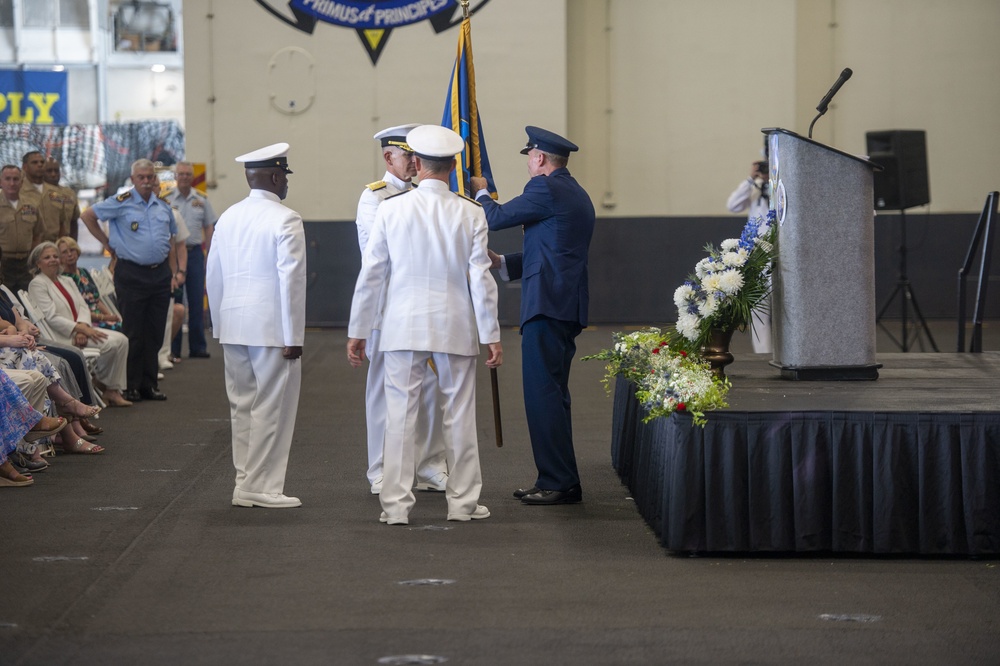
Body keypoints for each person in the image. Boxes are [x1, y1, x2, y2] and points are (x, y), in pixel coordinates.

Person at [347, 124, 502, 526]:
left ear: (416, 163)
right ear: (453, 166)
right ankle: (463, 504)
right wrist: (492, 334)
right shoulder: (471, 211)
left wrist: (358, 329)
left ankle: (395, 507)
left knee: (399, 415)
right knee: (460, 414)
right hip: (455, 325)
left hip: (400, 324)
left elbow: (372, 274)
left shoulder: (391, 210)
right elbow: (480, 278)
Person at [470, 125, 595, 506]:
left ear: (539, 157)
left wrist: (480, 188)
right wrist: (502, 263)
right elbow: (552, 251)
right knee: (553, 395)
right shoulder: (574, 192)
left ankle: (558, 481)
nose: (528, 161)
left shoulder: (545, 188)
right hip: (563, 304)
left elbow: (494, 216)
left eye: (529, 156)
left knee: (542, 395)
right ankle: (559, 478)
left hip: (548, 305)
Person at [206, 142, 306, 509]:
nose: (286, 185)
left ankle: (244, 481)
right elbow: (291, 280)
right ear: (276, 177)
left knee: (242, 406)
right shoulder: (286, 218)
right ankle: (261, 486)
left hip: (234, 324)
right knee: (272, 407)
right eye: (285, 178)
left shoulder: (229, 216)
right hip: (270, 328)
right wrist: (294, 335)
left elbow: (212, 274)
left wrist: (220, 323)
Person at [355, 123, 449, 495]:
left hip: (423, 306)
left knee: (430, 388)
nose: (414, 162)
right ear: (387, 157)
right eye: (407, 155)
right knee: (382, 390)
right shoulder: (374, 198)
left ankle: (428, 465)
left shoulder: (422, 196)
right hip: (388, 308)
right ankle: (379, 469)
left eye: (416, 155)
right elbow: (376, 259)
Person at [80, 158, 179, 402]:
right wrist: (106, 243)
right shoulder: (120, 203)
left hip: (159, 273)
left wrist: (174, 272)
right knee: (134, 332)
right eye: (141, 178)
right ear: (133, 180)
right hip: (131, 273)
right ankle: (130, 385)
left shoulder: (163, 206)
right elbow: (88, 216)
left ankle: (149, 384)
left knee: (155, 332)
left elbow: (172, 240)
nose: (146, 181)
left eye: (150, 177)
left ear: (155, 179)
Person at [27, 242, 132, 407]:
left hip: (80, 329)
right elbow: (51, 317)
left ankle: (111, 389)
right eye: (47, 257)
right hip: (62, 335)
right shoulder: (37, 284)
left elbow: (83, 306)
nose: (53, 260)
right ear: (37, 263)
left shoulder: (66, 280)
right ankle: (101, 383)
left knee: (122, 339)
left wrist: (83, 327)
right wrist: (78, 329)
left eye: (55, 256)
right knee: (112, 344)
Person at [165, 161, 216, 359]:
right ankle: (173, 349)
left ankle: (198, 347)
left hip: (194, 254)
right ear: (175, 177)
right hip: (173, 256)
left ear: (192, 177)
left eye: (188, 174)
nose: (185, 177)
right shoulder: (166, 199)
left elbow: (209, 227)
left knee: (196, 301)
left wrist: (209, 253)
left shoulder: (202, 200)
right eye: (181, 174)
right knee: (175, 301)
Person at [726, 160, 772, 354]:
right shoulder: (754, 189)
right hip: (758, 257)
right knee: (759, 312)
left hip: (784, 255)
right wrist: (750, 180)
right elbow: (732, 205)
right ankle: (764, 357)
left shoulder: (785, 187)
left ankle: (790, 355)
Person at [58, 236, 122, 331]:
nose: (70, 254)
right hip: (84, 321)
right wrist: (105, 318)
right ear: (59, 257)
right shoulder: (63, 279)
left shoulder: (84, 272)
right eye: (64, 252)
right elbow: (76, 310)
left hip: (101, 316)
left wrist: (110, 316)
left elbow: (97, 300)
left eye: (72, 250)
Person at [0, 165, 45, 292]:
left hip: (25, 265)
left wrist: (33, 258)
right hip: (3, 265)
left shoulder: (31, 205)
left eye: (16, 179)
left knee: (28, 303)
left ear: (22, 182)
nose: (12, 183)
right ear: (0, 181)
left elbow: (38, 233)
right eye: (7, 179)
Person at [21, 151, 69, 242]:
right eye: (34, 162)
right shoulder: (19, 192)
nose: (39, 165)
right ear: (25, 167)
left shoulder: (56, 192)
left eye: (42, 162)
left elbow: (62, 223)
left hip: (53, 247)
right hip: (28, 248)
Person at [43, 158, 82, 240]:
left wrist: (73, 244)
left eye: (56, 171)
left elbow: (74, 222)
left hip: (64, 243)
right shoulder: (37, 193)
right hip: (45, 243)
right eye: (49, 171)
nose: (53, 174)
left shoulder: (69, 193)